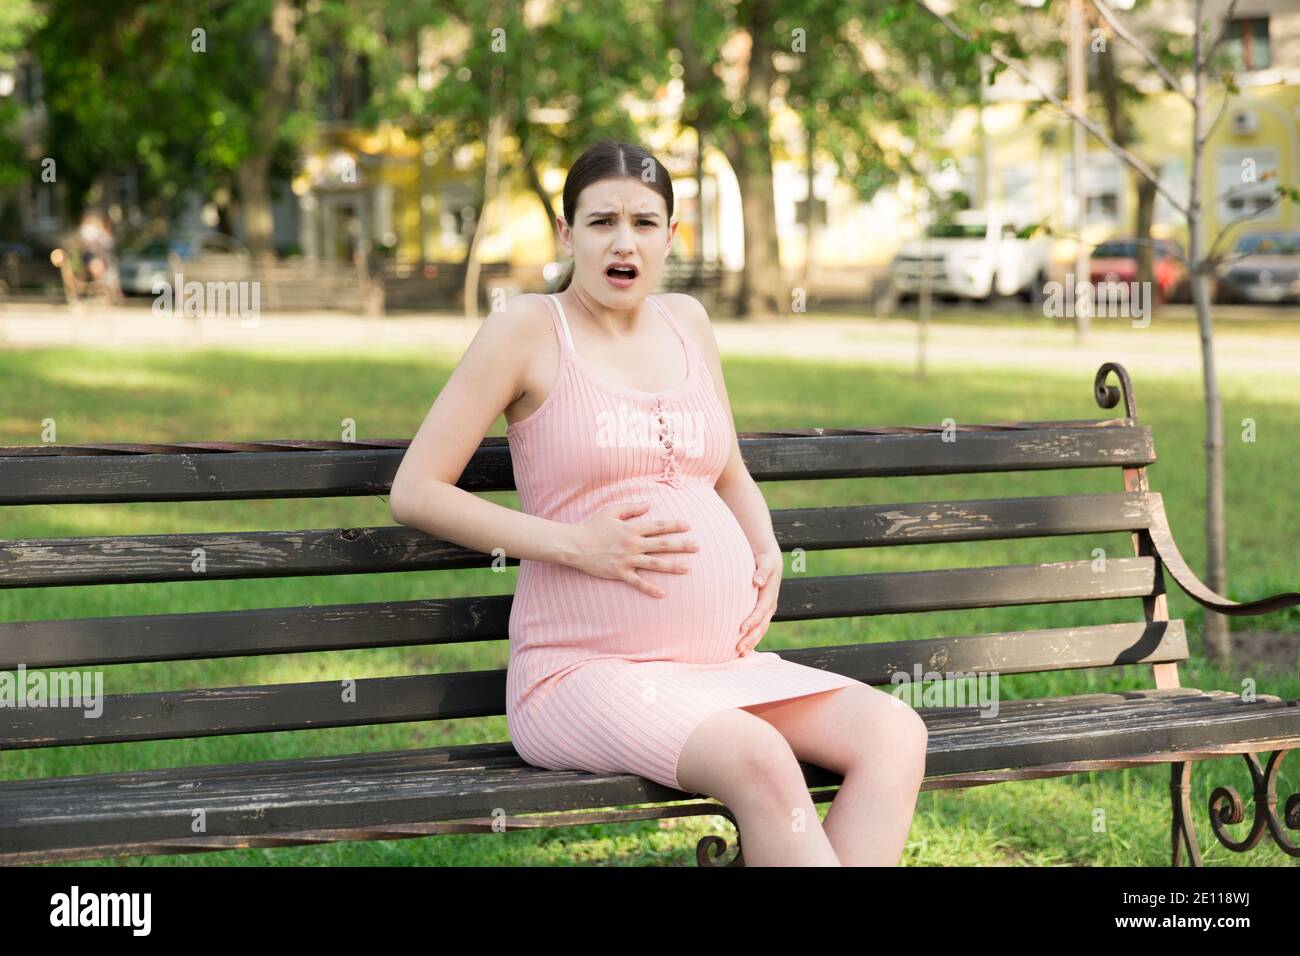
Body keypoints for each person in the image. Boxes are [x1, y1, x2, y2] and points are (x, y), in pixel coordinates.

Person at [389, 139, 928, 866]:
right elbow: (416, 491)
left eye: (644, 222)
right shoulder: (526, 329)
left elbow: (728, 468)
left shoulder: (687, 323)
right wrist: (576, 543)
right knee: (761, 760)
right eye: (602, 220)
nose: (623, 241)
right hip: (581, 672)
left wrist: (762, 545)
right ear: (567, 233)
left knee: (896, 732)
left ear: (671, 236)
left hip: (716, 669)